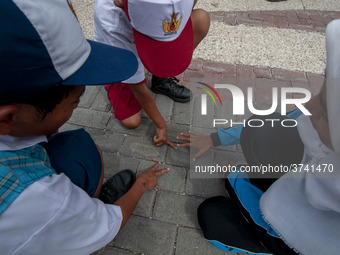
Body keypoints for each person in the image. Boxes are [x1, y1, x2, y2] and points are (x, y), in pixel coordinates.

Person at [0, 0, 169, 254]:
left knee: (72, 146)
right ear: (7, 118)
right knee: (83, 151)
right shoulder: (37, 200)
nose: (77, 106)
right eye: (75, 101)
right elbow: (111, 222)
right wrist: (141, 184)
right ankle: (80, 217)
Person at [177, 20, 340, 255]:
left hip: (297, 242)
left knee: (212, 213)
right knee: (266, 128)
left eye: (323, 111)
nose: (309, 104)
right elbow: (282, 120)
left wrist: (234, 179)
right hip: (305, 181)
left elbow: (281, 221)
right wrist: (214, 139)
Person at [93, 0, 210, 148]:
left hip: (138, 34)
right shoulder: (111, 21)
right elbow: (137, 87)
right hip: (116, 51)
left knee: (201, 19)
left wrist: (173, 24)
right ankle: (113, 76)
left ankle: (160, 78)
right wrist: (161, 125)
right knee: (132, 121)